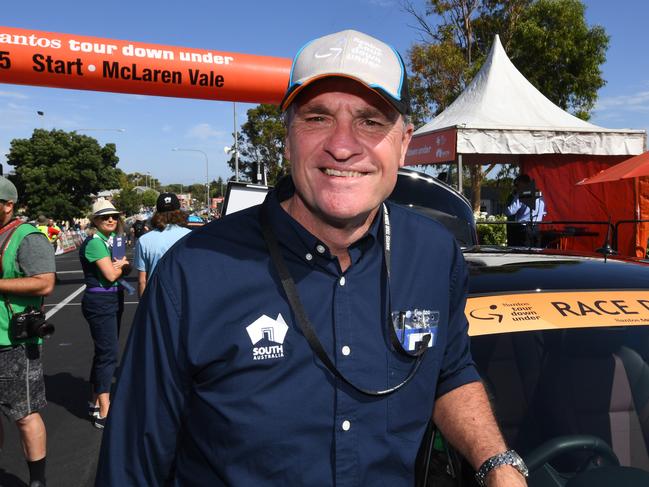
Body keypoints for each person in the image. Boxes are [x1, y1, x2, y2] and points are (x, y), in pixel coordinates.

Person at [97, 30, 527, 486]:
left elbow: (450, 370)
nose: (342, 146)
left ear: (403, 143)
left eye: (371, 121)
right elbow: (133, 462)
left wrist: (496, 462)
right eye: (318, 118)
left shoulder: (434, 253)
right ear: (287, 139)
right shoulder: (192, 271)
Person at [0, 177, 55, 487]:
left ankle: (37, 481)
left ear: (8, 206)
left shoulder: (28, 237)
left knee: (24, 414)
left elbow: (45, 282)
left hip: (15, 343)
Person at [79, 199, 130, 429]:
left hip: (110, 299)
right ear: (95, 220)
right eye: (104, 216)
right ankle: (104, 411)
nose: (111, 219)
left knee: (103, 353)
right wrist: (124, 265)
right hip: (101, 300)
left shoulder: (109, 241)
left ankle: (94, 400)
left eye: (114, 216)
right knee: (108, 354)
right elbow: (110, 275)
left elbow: (118, 270)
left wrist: (122, 265)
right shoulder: (95, 243)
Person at [134, 192, 191, 297]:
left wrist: (143, 308)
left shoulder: (144, 240)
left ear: (157, 214)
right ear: (179, 212)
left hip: (156, 298)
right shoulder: (190, 236)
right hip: (183, 297)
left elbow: (142, 281)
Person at [504, 174, 546, 246]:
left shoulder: (521, 194)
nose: (516, 187)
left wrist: (504, 208)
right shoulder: (539, 194)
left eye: (517, 185)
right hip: (536, 228)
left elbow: (510, 211)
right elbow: (544, 212)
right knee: (534, 252)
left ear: (522, 183)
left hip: (523, 230)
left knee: (520, 253)